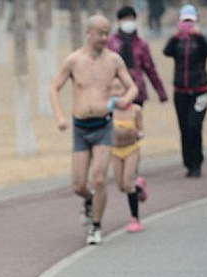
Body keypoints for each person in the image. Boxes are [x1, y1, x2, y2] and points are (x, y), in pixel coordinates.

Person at [48, 15, 138, 245]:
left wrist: (123, 100)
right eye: (100, 33)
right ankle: (89, 201)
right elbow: (54, 88)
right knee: (79, 185)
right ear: (89, 34)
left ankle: (96, 226)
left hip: (103, 127)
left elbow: (132, 87)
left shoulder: (114, 60)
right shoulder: (74, 60)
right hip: (80, 128)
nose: (105, 38)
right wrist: (59, 116)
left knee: (98, 179)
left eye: (107, 33)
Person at [163, 4, 207, 178]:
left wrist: (199, 36)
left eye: (190, 21)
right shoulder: (177, 40)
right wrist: (174, 36)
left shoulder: (202, 39)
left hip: (200, 91)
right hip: (181, 92)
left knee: (194, 126)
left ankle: (197, 162)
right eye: (185, 21)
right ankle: (188, 163)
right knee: (184, 127)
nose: (187, 25)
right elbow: (166, 52)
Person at [107, 5, 168, 108]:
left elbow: (150, 69)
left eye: (130, 19)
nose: (128, 22)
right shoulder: (111, 43)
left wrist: (160, 92)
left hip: (137, 91)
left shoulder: (141, 44)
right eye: (124, 19)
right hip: (114, 92)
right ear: (119, 21)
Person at [110, 77, 149, 233]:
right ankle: (138, 188)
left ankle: (135, 219)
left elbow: (141, 129)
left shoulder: (135, 110)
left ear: (127, 90)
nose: (115, 92)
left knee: (127, 182)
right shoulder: (109, 110)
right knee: (121, 186)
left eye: (119, 88)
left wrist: (137, 133)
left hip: (132, 148)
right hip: (115, 150)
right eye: (112, 88)